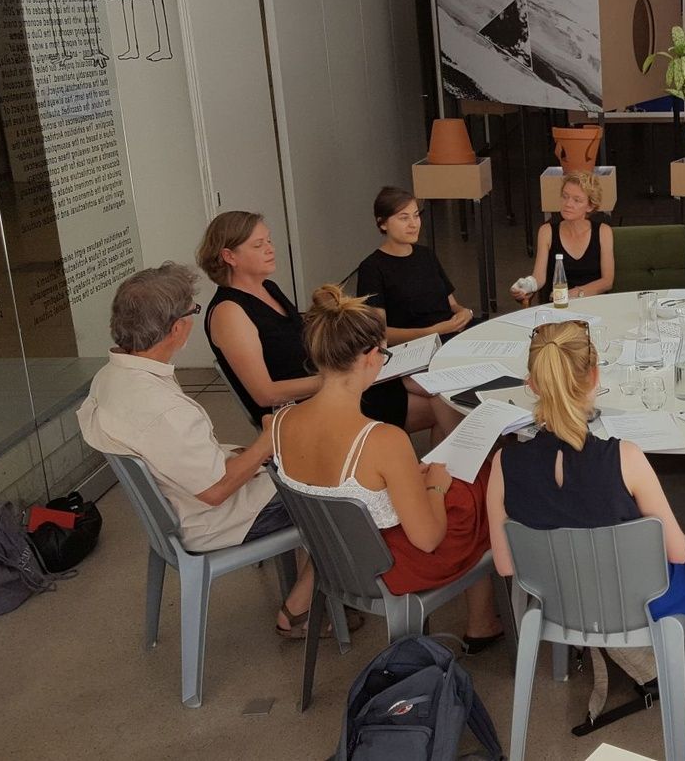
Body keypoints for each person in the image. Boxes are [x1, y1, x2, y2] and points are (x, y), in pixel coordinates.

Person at [78, 263, 322, 637]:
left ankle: (318, 583)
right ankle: (299, 611)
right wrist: (268, 439)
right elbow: (216, 490)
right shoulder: (163, 408)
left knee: (311, 461)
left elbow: (180, 456)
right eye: (192, 310)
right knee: (343, 487)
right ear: (177, 328)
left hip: (178, 508)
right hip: (214, 519)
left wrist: (250, 451)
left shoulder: (110, 377)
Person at [272, 286, 503, 650]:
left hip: (335, 555)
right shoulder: (382, 439)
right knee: (480, 482)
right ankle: (483, 621)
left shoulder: (282, 421)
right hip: (384, 565)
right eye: (384, 352)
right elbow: (428, 539)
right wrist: (436, 486)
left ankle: (483, 620)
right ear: (369, 357)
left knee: (462, 484)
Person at [485, 319, 685, 628]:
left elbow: (506, 565)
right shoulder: (625, 458)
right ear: (594, 377)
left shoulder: (503, 464)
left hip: (558, 605)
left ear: (532, 384)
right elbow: (677, 552)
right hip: (637, 604)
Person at [199, 211, 441, 436]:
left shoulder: (267, 288)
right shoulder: (229, 312)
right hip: (304, 408)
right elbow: (265, 394)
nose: (270, 249)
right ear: (229, 256)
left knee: (437, 392)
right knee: (439, 407)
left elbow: (301, 342)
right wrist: (344, 376)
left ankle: (435, 468)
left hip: (324, 387)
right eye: (258, 245)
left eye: (269, 241)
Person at [356, 186, 474, 345]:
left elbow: (451, 304)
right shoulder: (372, 268)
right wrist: (432, 332)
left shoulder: (426, 254)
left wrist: (464, 312)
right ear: (382, 223)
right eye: (404, 218)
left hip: (451, 332)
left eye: (416, 215)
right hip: (418, 345)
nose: (414, 224)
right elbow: (378, 332)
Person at [512, 172, 614, 304]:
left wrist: (577, 293)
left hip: (593, 304)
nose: (568, 204)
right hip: (557, 305)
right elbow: (539, 277)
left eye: (576, 200)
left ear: (590, 206)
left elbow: (607, 281)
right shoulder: (546, 231)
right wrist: (527, 287)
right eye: (565, 197)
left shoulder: (603, 231)